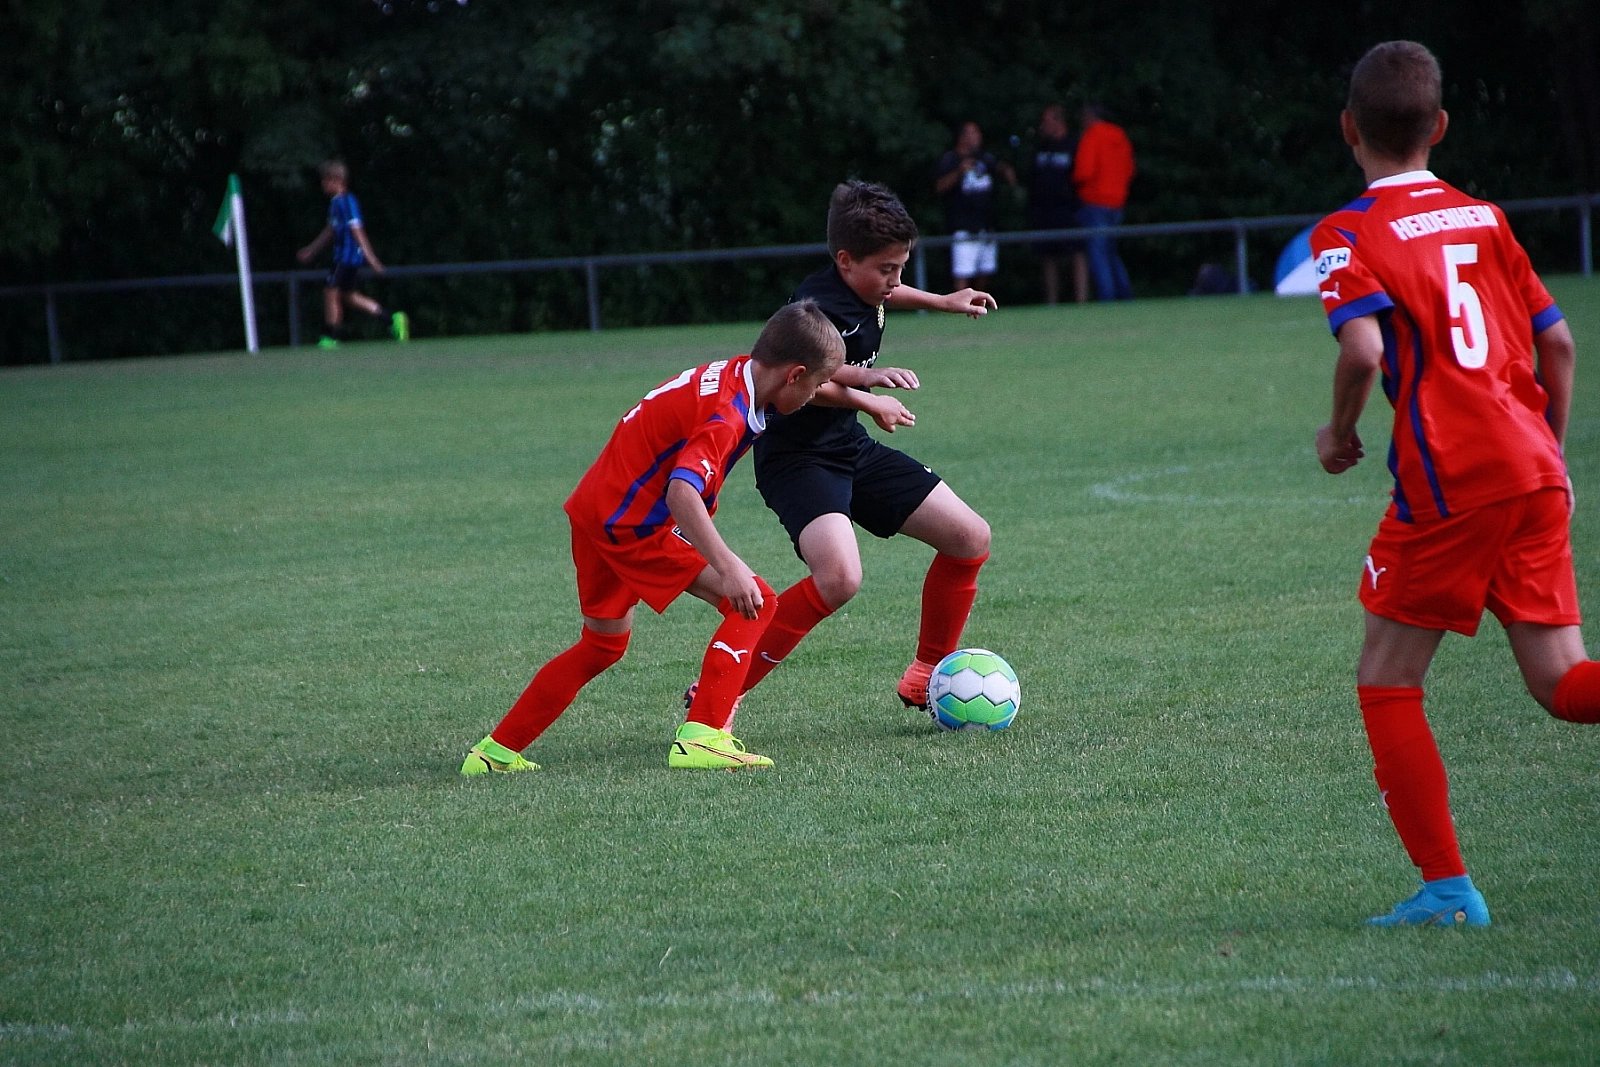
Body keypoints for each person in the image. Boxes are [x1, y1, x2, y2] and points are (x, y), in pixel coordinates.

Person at [1313, 40, 1597, 927]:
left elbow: (1364, 348)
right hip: (1533, 466)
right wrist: (1552, 456)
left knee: (1387, 676)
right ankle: (1444, 890)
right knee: (1563, 683)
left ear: (1349, 128)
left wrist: (1340, 432)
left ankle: (1447, 890)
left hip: (1452, 477)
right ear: (1438, 126)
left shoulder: (1347, 232)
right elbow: (1559, 344)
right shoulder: (1486, 217)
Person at [460, 302, 845, 774]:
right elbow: (682, 491)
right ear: (794, 375)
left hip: (598, 508)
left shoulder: (738, 373)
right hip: (635, 523)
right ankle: (703, 737)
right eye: (817, 385)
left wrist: (866, 398)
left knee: (602, 645)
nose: (817, 394)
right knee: (755, 601)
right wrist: (728, 566)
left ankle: (494, 754)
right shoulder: (728, 412)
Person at [689, 180, 993, 719]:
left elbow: (885, 295)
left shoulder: (864, 286)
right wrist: (869, 396)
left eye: (901, 268)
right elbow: (802, 378)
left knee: (969, 537)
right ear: (845, 261)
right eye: (887, 270)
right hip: (797, 460)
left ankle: (927, 673)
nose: (894, 281)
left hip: (848, 445)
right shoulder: (815, 308)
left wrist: (941, 301)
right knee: (839, 578)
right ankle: (720, 691)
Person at [296, 161, 409, 348]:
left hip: (347, 258)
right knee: (349, 297)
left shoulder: (346, 202)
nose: (322, 185)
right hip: (343, 257)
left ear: (337, 180)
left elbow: (357, 230)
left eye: (325, 180)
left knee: (330, 291)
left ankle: (330, 337)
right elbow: (331, 231)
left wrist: (371, 258)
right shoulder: (335, 203)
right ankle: (392, 320)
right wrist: (312, 249)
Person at [934, 122, 1016, 291]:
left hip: (985, 225)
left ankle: (979, 304)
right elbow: (939, 187)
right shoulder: (951, 159)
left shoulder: (984, 159)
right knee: (963, 272)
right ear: (962, 137)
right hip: (963, 227)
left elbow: (998, 169)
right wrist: (959, 172)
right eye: (973, 133)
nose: (978, 137)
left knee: (985, 271)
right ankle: (961, 304)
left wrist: (1007, 172)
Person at [1071, 104, 1135, 301]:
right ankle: (1125, 296)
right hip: (1117, 202)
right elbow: (1130, 169)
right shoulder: (1119, 136)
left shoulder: (1092, 136)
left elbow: (1083, 172)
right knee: (1111, 252)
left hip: (1095, 202)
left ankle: (1107, 298)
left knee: (1098, 254)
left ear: (1089, 117)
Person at [1029, 104, 1087, 305]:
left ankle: (1081, 301)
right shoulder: (1041, 148)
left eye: (1046, 121)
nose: (1043, 125)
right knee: (1048, 255)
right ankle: (1052, 302)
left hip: (1069, 209)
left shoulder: (1073, 145)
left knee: (1076, 252)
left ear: (1058, 121)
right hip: (1044, 209)